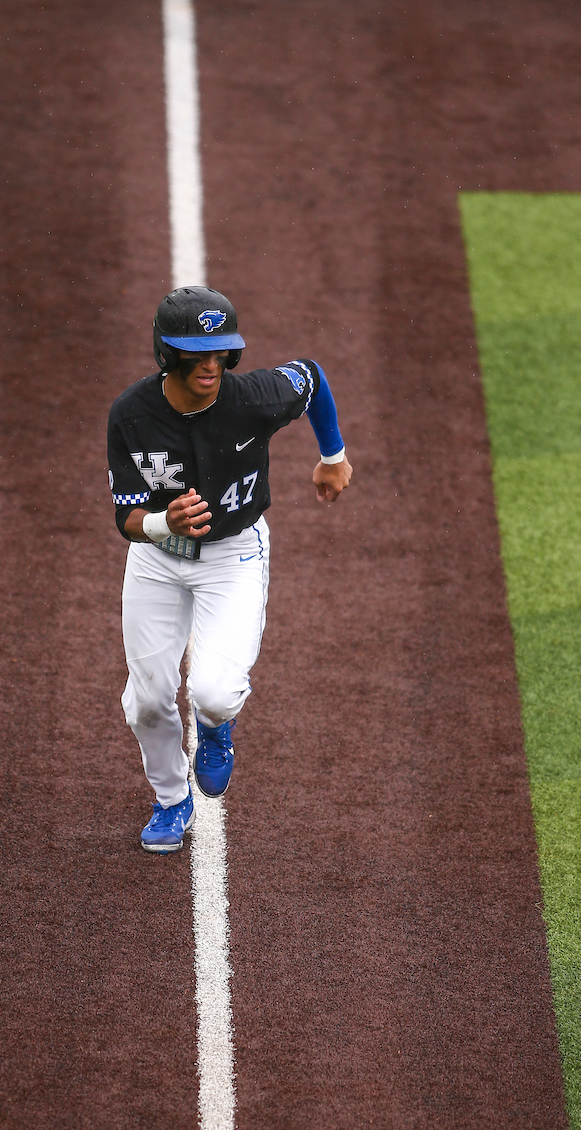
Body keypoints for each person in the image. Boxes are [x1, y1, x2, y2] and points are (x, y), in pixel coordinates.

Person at [107, 286, 352, 853]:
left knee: (215, 693)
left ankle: (216, 728)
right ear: (167, 352)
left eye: (220, 352)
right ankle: (171, 800)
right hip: (157, 558)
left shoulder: (256, 398)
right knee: (146, 700)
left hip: (232, 555)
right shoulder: (131, 415)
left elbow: (312, 377)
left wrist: (333, 456)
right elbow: (126, 518)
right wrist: (163, 522)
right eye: (197, 353)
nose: (211, 365)